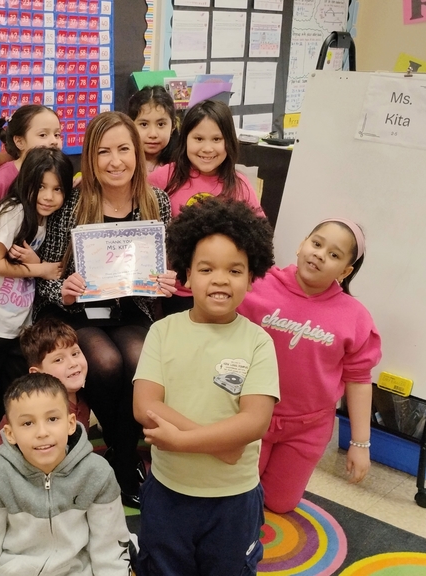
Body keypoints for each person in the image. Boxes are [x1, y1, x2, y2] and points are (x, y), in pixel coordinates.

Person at [34, 111, 178, 508]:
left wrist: (163, 282)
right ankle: (123, 454)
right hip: (78, 311)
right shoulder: (75, 202)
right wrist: (61, 290)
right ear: (90, 159)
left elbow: (155, 274)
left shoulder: (157, 202)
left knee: (139, 356)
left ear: (137, 152)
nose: (115, 161)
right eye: (103, 152)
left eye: (123, 150)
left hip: (130, 308)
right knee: (105, 361)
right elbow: (44, 273)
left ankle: (121, 450)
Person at [132, 198, 278, 576]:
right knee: (162, 567)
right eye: (206, 268)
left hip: (233, 498)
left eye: (234, 270)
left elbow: (254, 422)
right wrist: (220, 443)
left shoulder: (259, 341)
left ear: (251, 276)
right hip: (168, 491)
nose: (219, 279)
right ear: (187, 275)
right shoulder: (163, 331)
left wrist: (183, 440)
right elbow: (145, 404)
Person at [237, 219, 381, 513]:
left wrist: (360, 444)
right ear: (302, 244)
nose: (319, 254)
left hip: (307, 428)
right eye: (316, 244)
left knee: (280, 504)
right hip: (249, 416)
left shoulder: (354, 316)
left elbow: (359, 380)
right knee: (237, 497)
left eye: (334, 255)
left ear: (345, 271)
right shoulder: (256, 286)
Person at [0, 148, 71, 495]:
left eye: (58, 189)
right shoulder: (13, 210)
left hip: (16, 326)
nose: (49, 197)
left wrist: (35, 263)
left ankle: (11, 466)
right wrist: (40, 268)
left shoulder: (42, 218)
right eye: (42, 187)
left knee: (17, 401)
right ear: (26, 184)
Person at [0, 373, 131, 576]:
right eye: (27, 423)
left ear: (71, 423)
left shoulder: (97, 474)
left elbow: (110, 551)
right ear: (10, 433)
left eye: (52, 419)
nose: (42, 432)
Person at [148, 99, 265, 316]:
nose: (207, 148)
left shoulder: (240, 185)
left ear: (229, 142)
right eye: (198, 138)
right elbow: (128, 198)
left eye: (217, 139)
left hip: (225, 294)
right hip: (177, 293)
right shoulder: (164, 177)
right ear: (185, 140)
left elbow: (260, 240)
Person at [0, 317, 92, 510]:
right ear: (36, 373)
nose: (73, 363)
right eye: (58, 359)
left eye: (75, 353)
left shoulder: (79, 398)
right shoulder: (33, 411)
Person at [0, 104, 63, 230]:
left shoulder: (55, 173)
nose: (54, 141)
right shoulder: (1, 180)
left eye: (57, 135)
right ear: (20, 141)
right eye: (43, 135)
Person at [127, 85, 177, 175]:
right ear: (130, 126)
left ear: (173, 126)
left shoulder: (180, 166)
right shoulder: (124, 165)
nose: (153, 134)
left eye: (161, 124)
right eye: (144, 124)